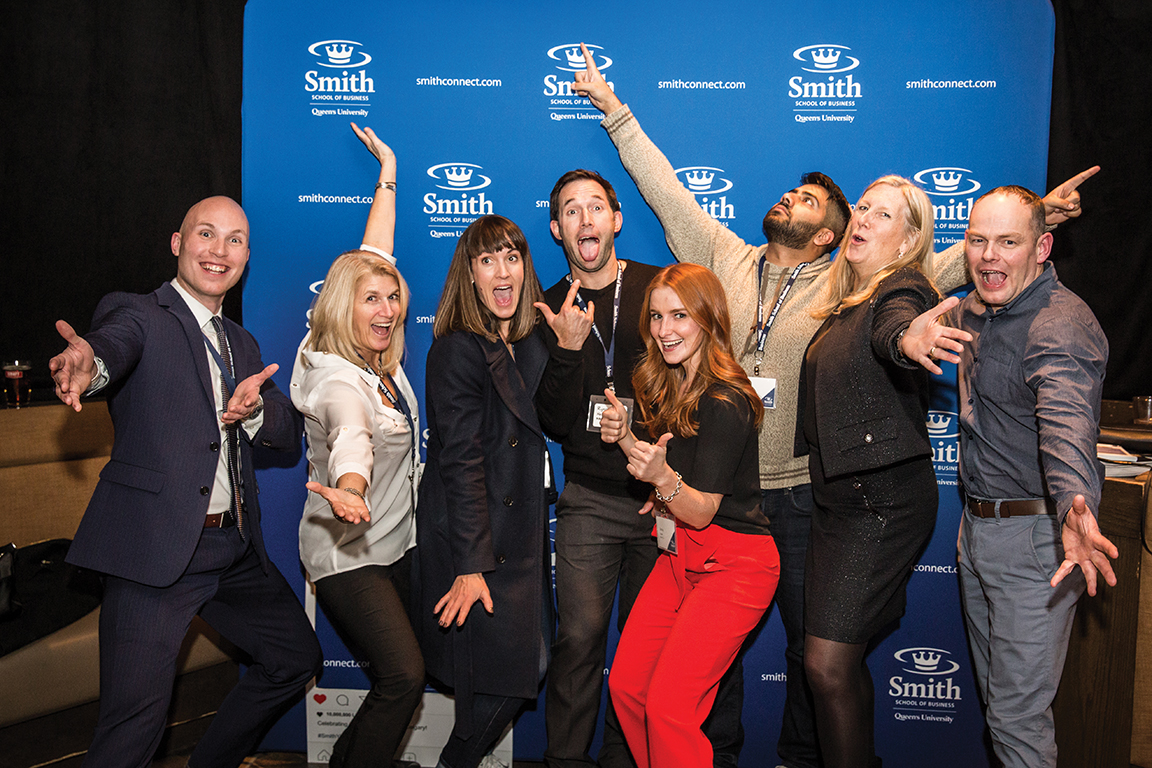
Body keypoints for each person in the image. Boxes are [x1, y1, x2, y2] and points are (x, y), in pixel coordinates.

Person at [571, 42, 1098, 768]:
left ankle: (801, 758)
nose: (792, 198)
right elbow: (666, 192)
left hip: (793, 496)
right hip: (712, 492)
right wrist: (615, 111)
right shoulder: (726, 256)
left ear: (830, 235)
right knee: (700, 662)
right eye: (793, 193)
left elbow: (928, 268)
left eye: (813, 202)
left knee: (812, 649)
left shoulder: (845, 287)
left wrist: (1037, 222)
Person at [48, 196, 322, 768]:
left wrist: (252, 412)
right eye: (206, 234)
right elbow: (111, 348)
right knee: (131, 732)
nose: (219, 251)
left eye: (235, 240)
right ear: (178, 243)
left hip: (234, 550)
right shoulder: (139, 313)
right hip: (156, 552)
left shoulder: (241, 343)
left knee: (295, 659)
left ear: (246, 256)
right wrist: (90, 365)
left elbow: (285, 434)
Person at [902, 186, 1117, 768]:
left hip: (1038, 542)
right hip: (978, 532)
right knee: (1001, 711)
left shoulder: (1060, 326)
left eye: (1008, 242)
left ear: (1042, 248)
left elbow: (1066, 421)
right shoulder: (972, 307)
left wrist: (1075, 502)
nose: (990, 256)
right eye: (978, 241)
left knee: (1017, 721)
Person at [796, 176, 955, 768]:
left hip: (881, 499)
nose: (861, 219)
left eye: (882, 215)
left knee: (826, 664)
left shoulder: (900, 287)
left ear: (909, 239)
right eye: (861, 208)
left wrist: (908, 337)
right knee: (839, 666)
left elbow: (899, 324)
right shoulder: (846, 302)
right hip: (841, 502)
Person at [597, 262, 779, 768]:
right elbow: (676, 475)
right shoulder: (676, 384)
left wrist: (659, 481)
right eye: (656, 317)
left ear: (708, 318)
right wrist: (627, 439)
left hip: (735, 566)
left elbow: (699, 510)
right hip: (680, 560)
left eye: (679, 316)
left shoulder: (727, 397)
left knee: (670, 707)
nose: (664, 330)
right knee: (631, 689)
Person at [290, 126, 422, 768]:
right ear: (344, 306)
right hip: (348, 550)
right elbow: (351, 438)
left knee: (409, 671)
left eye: (394, 298)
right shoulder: (339, 376)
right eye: (373, 299)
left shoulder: (375, 352)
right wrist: (350, 488)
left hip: (393, 539)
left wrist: (389, 172)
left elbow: (376, 252)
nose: (389, 309)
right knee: (402, 677)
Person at [414, 214, 554, 768]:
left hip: (515, 540)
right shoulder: (456, 350)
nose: (503, 271)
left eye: (512, 257)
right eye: (488, 259)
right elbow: (461, 462)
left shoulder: (524, 343)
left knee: (528, 665)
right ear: (469, 275)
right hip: (478, 544)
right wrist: (471, 566)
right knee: (523, 667)